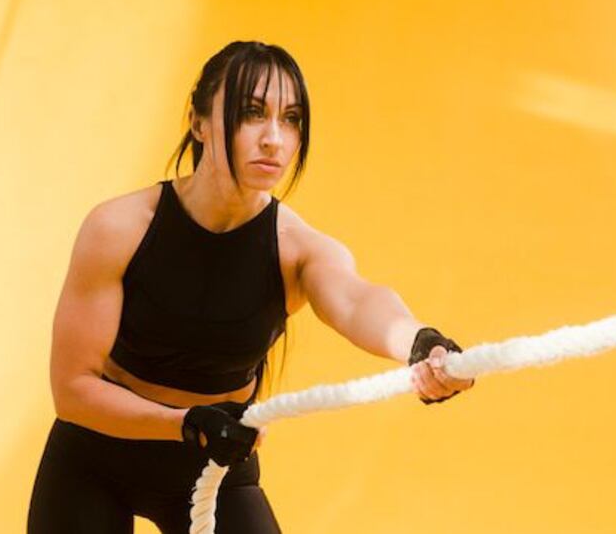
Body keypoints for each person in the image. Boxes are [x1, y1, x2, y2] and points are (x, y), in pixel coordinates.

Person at [26, 40, 475, 533]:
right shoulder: (119, 227)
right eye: (251, 113)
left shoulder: (297, 248)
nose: (274, 139)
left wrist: (419, 343)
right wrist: (185, 423)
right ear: (199, 122)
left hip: (217, 462)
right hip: (96, 458)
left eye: (291, 119)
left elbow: (355, 299)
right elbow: (73, 390)